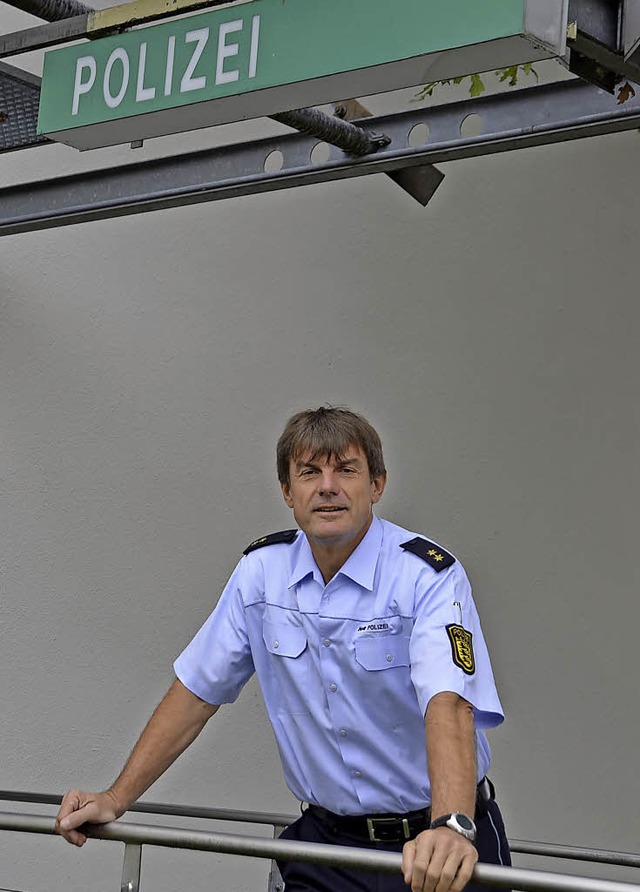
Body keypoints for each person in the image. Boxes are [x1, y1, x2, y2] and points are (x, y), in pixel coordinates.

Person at [56, 406, 510, 892]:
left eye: (346, 470)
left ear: (377, 485)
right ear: (287, 492)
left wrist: (450, 825)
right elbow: (196, 692)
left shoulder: (426, 575)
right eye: (309, 472)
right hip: (326, 847)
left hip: (438, 844)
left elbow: (450, 703)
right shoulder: (261, 574)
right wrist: (117, 797)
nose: (327, 486)